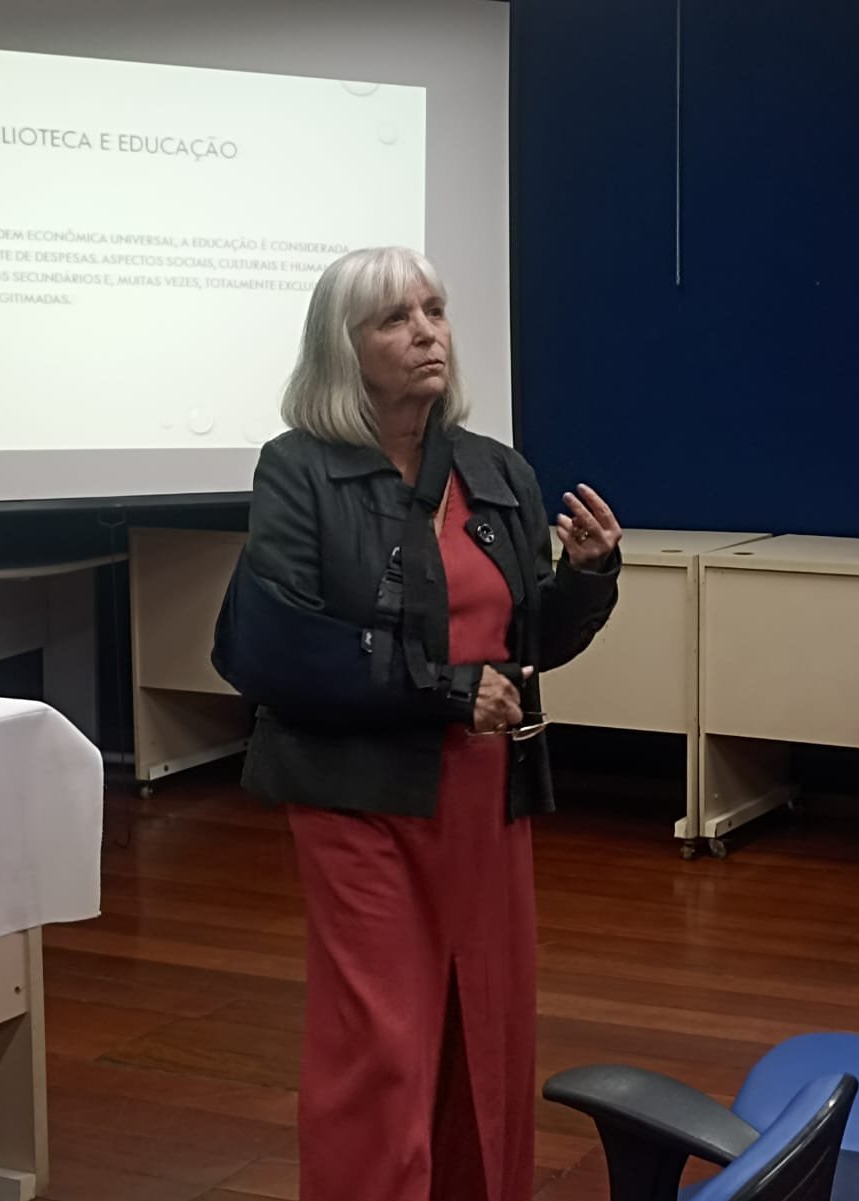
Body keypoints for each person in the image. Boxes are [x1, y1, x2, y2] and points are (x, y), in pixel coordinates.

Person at [234, 247, 622, 1201]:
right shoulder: (299, 470)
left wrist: (586, 579)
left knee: (485, 1027)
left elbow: (527, 643)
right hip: (357, 791)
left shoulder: (497, 470)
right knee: (380, 1040)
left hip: (486, 795)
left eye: (434, 310)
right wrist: (445, 689)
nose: (426, 333)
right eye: (395, 319)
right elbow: (277, 646)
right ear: (345, 349)